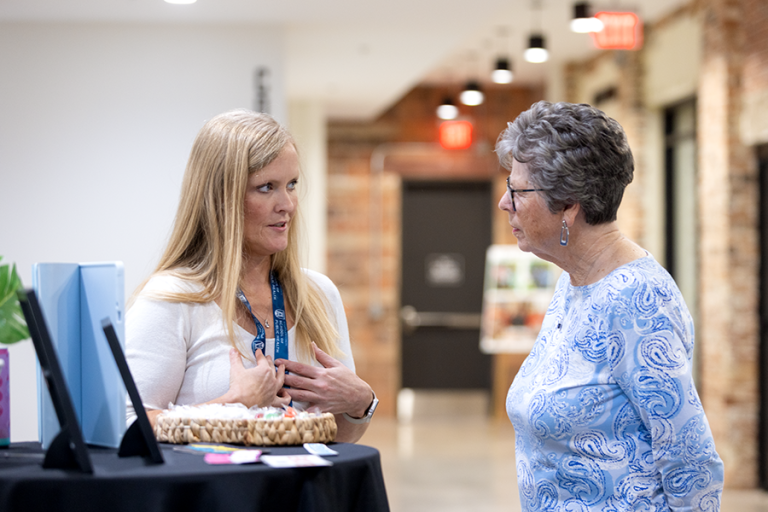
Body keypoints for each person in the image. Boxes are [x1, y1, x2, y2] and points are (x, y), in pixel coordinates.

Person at [497, 101, 724, 510]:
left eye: (517, 190)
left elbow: (692, 463)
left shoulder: (637, 300)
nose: (504, 202)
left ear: (568, 203)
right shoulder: (574, 283)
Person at [125, 109, 377, 443]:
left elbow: (339, 439)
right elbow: (127, 426)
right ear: (221, 199)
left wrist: (361, 404)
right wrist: (232, 404)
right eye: (266, 187)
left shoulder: (319, 293)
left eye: (291, 184)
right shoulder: (172, 297)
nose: (286, 204)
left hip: (303, 493)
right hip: (214, 493)